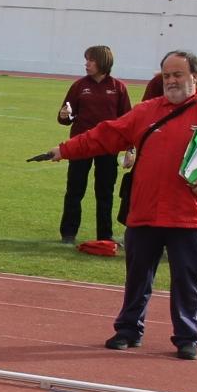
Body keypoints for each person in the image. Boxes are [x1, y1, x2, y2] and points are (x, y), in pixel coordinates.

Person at [32, 50, 197, 361]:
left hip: (188, 216)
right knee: (137, 278)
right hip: (145, 212)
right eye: (167, 76)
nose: (171, 81)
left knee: (187, 281)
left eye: (178, 74)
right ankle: (128, 330)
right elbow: (105, 136)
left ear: (195, 76)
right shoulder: (146, 112)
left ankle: (187, 337)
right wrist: (64, 150)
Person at [55, 44, 132, 247]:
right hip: (80, 146)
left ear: (103, 62)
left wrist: (130, 149)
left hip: (107, 147)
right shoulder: (79, 86)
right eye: (86, 59)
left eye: (91, 60)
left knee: (105, 192)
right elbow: (66, 117)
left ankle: (104, 235)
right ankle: (68, 233)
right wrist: (64, 115)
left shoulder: (118, 88)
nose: (86, 64)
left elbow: (128, 121)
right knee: (75, 190)